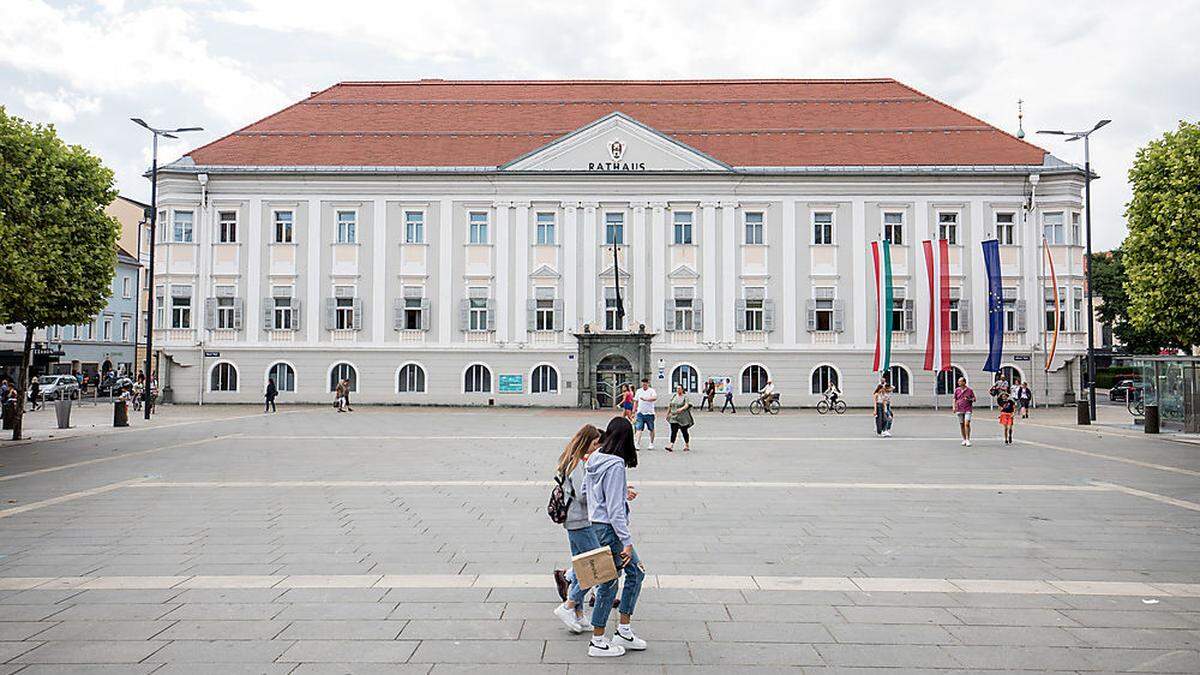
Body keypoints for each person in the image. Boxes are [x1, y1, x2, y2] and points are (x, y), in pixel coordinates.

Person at [584, 417, 646, 657]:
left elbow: (586, 492)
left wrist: (620, 492)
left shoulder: (595, 459)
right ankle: (598, 640)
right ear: (627, 439)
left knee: (634, 573)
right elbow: (614, 510)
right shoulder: (615, 464)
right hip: (610, 528)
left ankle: (623, 630)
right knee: (609, 582)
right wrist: (627, 542)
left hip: (597, 525)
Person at [552, 424, 603, 634]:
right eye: (594, 443)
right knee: (596, 569)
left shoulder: (569, 459)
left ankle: (580, 615)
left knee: (582, 566)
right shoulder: (578, 465)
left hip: (572, 521)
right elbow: (583, 495)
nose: (596, 447)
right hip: (581, 520)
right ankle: (569, 606)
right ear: (587, 442)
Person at [665, 384, 693, 452]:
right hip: (674, 417)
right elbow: (670, 405)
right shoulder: (674, 396)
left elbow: (687, 405)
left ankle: (687, 445)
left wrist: (681, 409)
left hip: (683, 417)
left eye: (679, 388)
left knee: (684, 432)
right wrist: (668, 414)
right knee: (673, 431)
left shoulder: (685, 397)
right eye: (677, 388)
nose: (678, 390)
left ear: (682, 389)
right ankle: (671, 445)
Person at [632, 379, 657, 450]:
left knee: (651, 428)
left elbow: (654, 398)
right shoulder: (639, 391)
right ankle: (637, 443)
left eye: (645, 384)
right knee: (639, 428)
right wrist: (634, 411)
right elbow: (636, 401)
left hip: (650, 413)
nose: (644, 386)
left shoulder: (652, 391)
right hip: (640, 413)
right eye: (643, 384)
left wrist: (646, 399)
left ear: (648, 384)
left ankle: (651, 443)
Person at [953, 377, 976, 446]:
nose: (958, 383)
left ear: (964, 382)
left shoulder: (970, 390)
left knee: (967, 423)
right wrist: (954, 407)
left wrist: (969, 399)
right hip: (959, 408)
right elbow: (954, 399)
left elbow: (974, 399)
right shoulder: (957, 390)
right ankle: (964, 439)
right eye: (958, 381)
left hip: (967, 409)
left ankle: (968, 439)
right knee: (961, 424)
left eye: (960, 381)